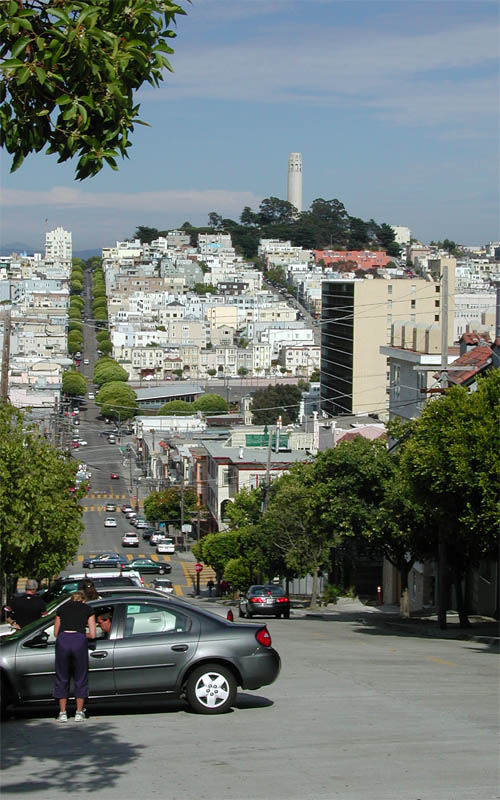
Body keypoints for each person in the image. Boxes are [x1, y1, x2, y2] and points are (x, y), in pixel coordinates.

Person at [53, 591, 96, 723]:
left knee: (62, 676)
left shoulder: (62, 608)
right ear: (83, 600)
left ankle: (62, 712)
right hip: (78, 640)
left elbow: (55, 632)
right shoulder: (88, 609)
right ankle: (78, 712)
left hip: (63, 639)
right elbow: (93, 634)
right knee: (80, 676)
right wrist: (83, 634)